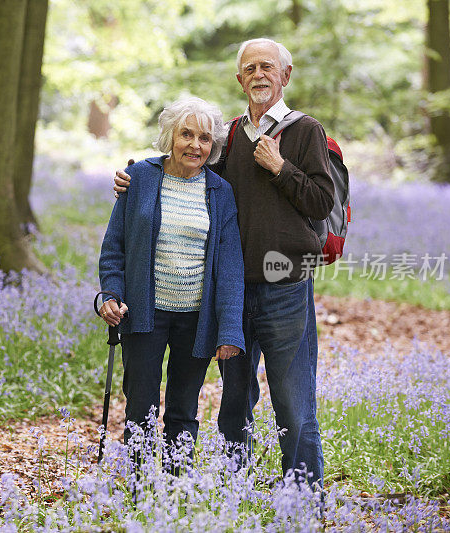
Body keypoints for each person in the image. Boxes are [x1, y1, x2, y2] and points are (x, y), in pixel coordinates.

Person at [114, 39, 334, 489]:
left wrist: (280, 166)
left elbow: (321, 200)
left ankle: (306, 500)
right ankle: (238, 492)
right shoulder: (229, 135)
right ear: (240, 79)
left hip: (284, 286)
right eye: (250, 68)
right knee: (235, 401)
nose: (258, 75)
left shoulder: (304, 130)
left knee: (293, 401)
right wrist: (132, 178)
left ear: (285, 76)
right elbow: (185, 165)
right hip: (230, 294)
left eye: (267, 67)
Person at [98, 96, 245, 463]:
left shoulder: (220, 192)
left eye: (205, 138)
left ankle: (174, 490)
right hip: (143, 313)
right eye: (187, 135)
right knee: (140, 408)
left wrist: (229, 330)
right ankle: (139, 489)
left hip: (195, 320)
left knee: (183, 410)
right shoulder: (140, 177)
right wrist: (109, 295)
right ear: (170, 136)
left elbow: (229, 267)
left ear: (213, 146)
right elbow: (114, 246)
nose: (196, 145)